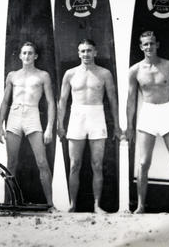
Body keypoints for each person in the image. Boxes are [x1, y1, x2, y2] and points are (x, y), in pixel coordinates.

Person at [126, 30, 169, 213]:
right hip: (147, 113)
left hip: (166, 112)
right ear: (141, 47)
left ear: (157, 45)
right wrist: (129, 125)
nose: (149, 47)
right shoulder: (135, 70)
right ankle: (140, 206)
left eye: (151, 43)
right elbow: (131, 100)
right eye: (145, 44)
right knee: (144, 163)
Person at [58, 38, 121, 213]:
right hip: (76, 117)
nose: (86, 54)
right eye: (83, 51)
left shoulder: (104, 73)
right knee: (74, 164)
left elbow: (113, 101)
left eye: (89, 50)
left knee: (97, 164)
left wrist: (116, 125)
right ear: (79, 53)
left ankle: (97, 204)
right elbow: (62, 101)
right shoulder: (70, 74)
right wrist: (60, 124)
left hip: (97, 116)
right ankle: (72, 205)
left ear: (95, 52)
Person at [0, 41, 55, 207]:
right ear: (20, 55)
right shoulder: (12, 75)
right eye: (24, 53)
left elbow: (51, 102)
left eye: (30, 53)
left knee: (42, 162)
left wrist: (49, 127)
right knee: (11, 163)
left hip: (32, 114)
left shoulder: (43, 75)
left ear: (35, 56)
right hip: (14, 116)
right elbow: (5, 101)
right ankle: (7, 202)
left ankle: (50, 204)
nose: (27, 56)